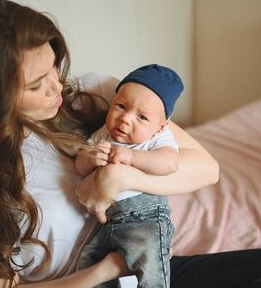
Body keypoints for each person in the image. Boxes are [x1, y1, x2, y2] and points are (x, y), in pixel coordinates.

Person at [0, 0, 261, 288]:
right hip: (101, 278)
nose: (56, 88)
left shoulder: (99, 97)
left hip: (145, 267)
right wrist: (109, 269)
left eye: (54, 68)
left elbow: (206, 168)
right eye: (35, 85)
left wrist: (115, 179)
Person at [75, 64, 183, 287]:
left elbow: (169, 163)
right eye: (121, 106)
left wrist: (132, 157)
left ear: (161, 126)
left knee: (150, 273)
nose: (125, 119)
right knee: (88, 263)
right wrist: (90, 158)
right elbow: (80, 166)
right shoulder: (102, 134)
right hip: (105, 223)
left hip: (144, 218)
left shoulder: (157, 139)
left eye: (142, 117)